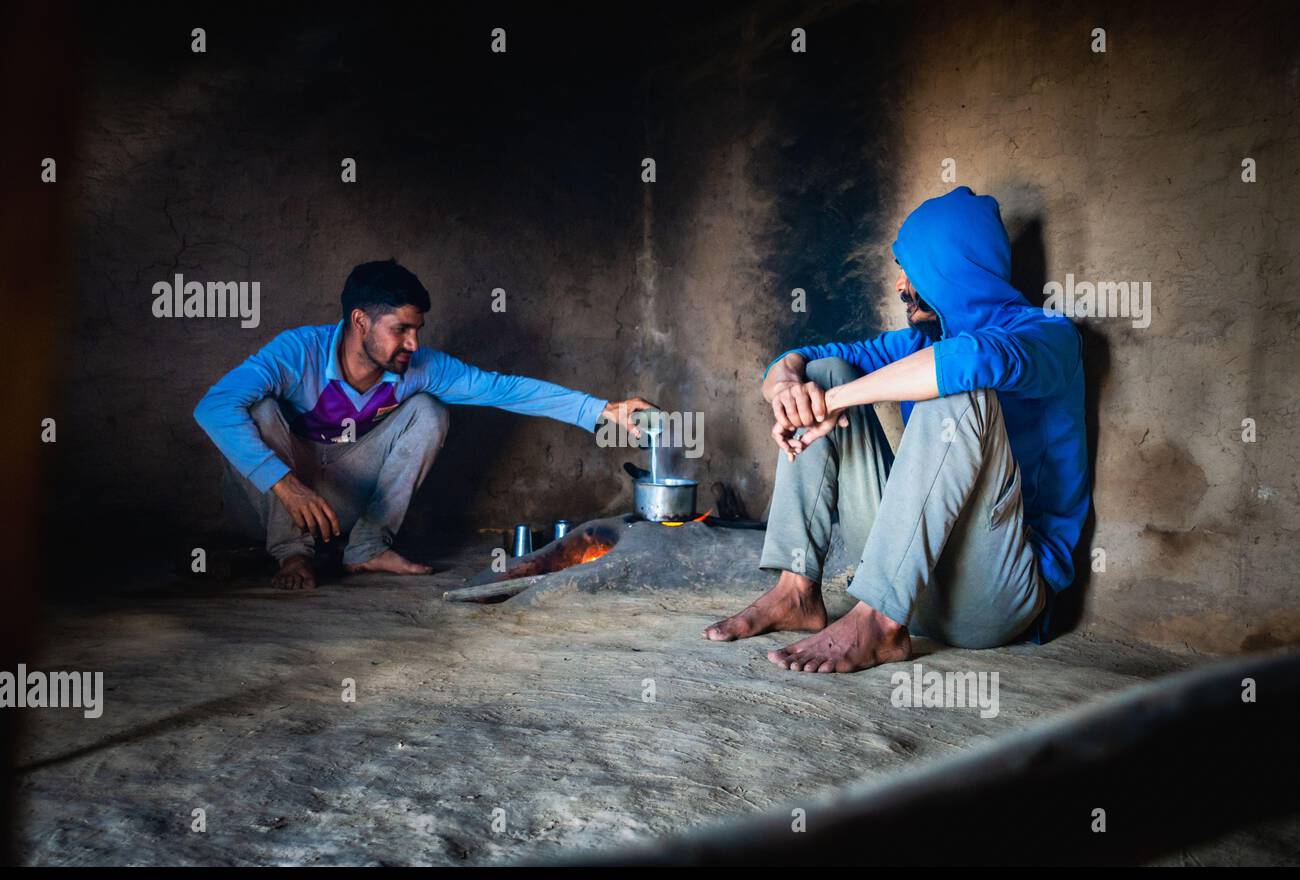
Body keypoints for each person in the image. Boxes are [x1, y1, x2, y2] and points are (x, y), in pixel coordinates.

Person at [704, 187, 1091, 673]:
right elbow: (802, 359)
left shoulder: (1049, 337)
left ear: (950, 270)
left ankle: (879, 624)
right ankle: (796, 593)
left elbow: (968, 362)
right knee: (824, 371)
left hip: (994, 593)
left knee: (954, 387)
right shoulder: (919, 340)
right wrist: (785, 384)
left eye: (911, 269)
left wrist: (834, 403)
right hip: (915, 577)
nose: (900, 285)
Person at [195, 259, 652, 589]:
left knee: (430, 409)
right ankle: (292, 554)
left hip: (343, 500)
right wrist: (285, 485)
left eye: (418, 330)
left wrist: (600, 410)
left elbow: (502, 388)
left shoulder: (418, 366)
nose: (413, 343)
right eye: (401, 329)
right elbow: (213, 407)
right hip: (272, 497)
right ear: (360, 321)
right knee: (258, 410)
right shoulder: (297, 352)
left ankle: (367, 548)